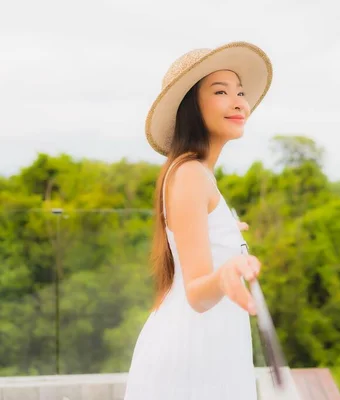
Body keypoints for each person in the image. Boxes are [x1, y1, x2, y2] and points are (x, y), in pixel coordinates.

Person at [124, 41, 273, 400]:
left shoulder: (196, 174)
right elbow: (197, 295)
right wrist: (226, 271)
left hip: (207, 348)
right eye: (221, 91)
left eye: (240, 92)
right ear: (191, 105)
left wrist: (225, 230)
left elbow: (191, 232)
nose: (239, 101)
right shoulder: (190, 174)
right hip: (192, 356)